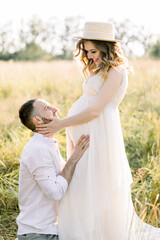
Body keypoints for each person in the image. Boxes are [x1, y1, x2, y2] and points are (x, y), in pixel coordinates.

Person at [36, 22, 160, 239]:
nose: (90, 56)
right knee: (81, 181)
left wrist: (61, 123)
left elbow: (95, 110)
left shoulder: (116, 71)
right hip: (88, 133)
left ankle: (100, 233)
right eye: (86, 51)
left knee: (96, 181)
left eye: (93, 51)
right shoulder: (97, 68)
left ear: (106, 47)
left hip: (101, 134)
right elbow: (86, 104)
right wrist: (69, 131)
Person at [16, 98, 89, 240]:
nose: (55, 109)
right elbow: (55, 193)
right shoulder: (38, 149)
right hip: (39, 234)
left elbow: (63, 179)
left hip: (49, 230)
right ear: (38, 119)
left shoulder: (48, 144)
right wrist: (73, 158)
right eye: (47, 108)